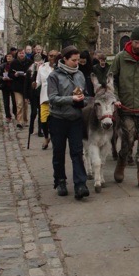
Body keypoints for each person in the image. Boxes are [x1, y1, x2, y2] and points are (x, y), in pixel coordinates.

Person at [111, 26, 139, 189]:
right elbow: (112, 80)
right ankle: (121, 162)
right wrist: (116, 98)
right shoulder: (120, 58)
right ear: (131, 42)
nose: (138, 45)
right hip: (126, 107)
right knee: (128, 139)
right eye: (135, 42)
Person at [47, 46, 90, 200]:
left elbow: (85, 95)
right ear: (64, 59)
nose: (77, 63)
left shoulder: (80, 75)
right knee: (59, 152)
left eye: (78, 60)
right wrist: (71, 99)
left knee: (77, 152)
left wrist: (83, 101)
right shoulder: (54, 76)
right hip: (58, 119)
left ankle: (80, 184)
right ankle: (60, 180)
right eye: (73, 60)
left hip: (75, 119)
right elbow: (52, 98)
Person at [36, 50, 59, 149]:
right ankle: (46, 137)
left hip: (57, 99)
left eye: (54, 56)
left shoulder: (60, 68)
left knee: (55, 122)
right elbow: (38, 81)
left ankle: (55, 140)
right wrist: (34, 84)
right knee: (44, 120)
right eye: (50, 55)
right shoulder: (42, 67)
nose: (52, 58)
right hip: (45, 98)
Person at [10, 48, 31, 128]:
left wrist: (28, 75)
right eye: (20, 53)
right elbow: (10, 74)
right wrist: (14, 75)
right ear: (17, 54)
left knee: (25, 104)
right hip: (17, 86)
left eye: (23, 53)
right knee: (19, 103)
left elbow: (33, 72)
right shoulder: (14, 62)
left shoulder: (29, 62)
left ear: (25, 54)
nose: (21, 54)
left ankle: (25, 120)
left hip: (26, 86)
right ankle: (20, 121)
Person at [0, 52, 17, 121]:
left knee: (15, 101)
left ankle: (15, 113)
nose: (8, 58)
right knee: (6, 102)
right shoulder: (3, 66)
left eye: (10, 56)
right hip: (5, 85)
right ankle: (8, 116)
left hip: (13, 85)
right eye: (7, 56)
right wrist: (2, 78)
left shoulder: (15, 65)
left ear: (13, 58)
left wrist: (14, 77)